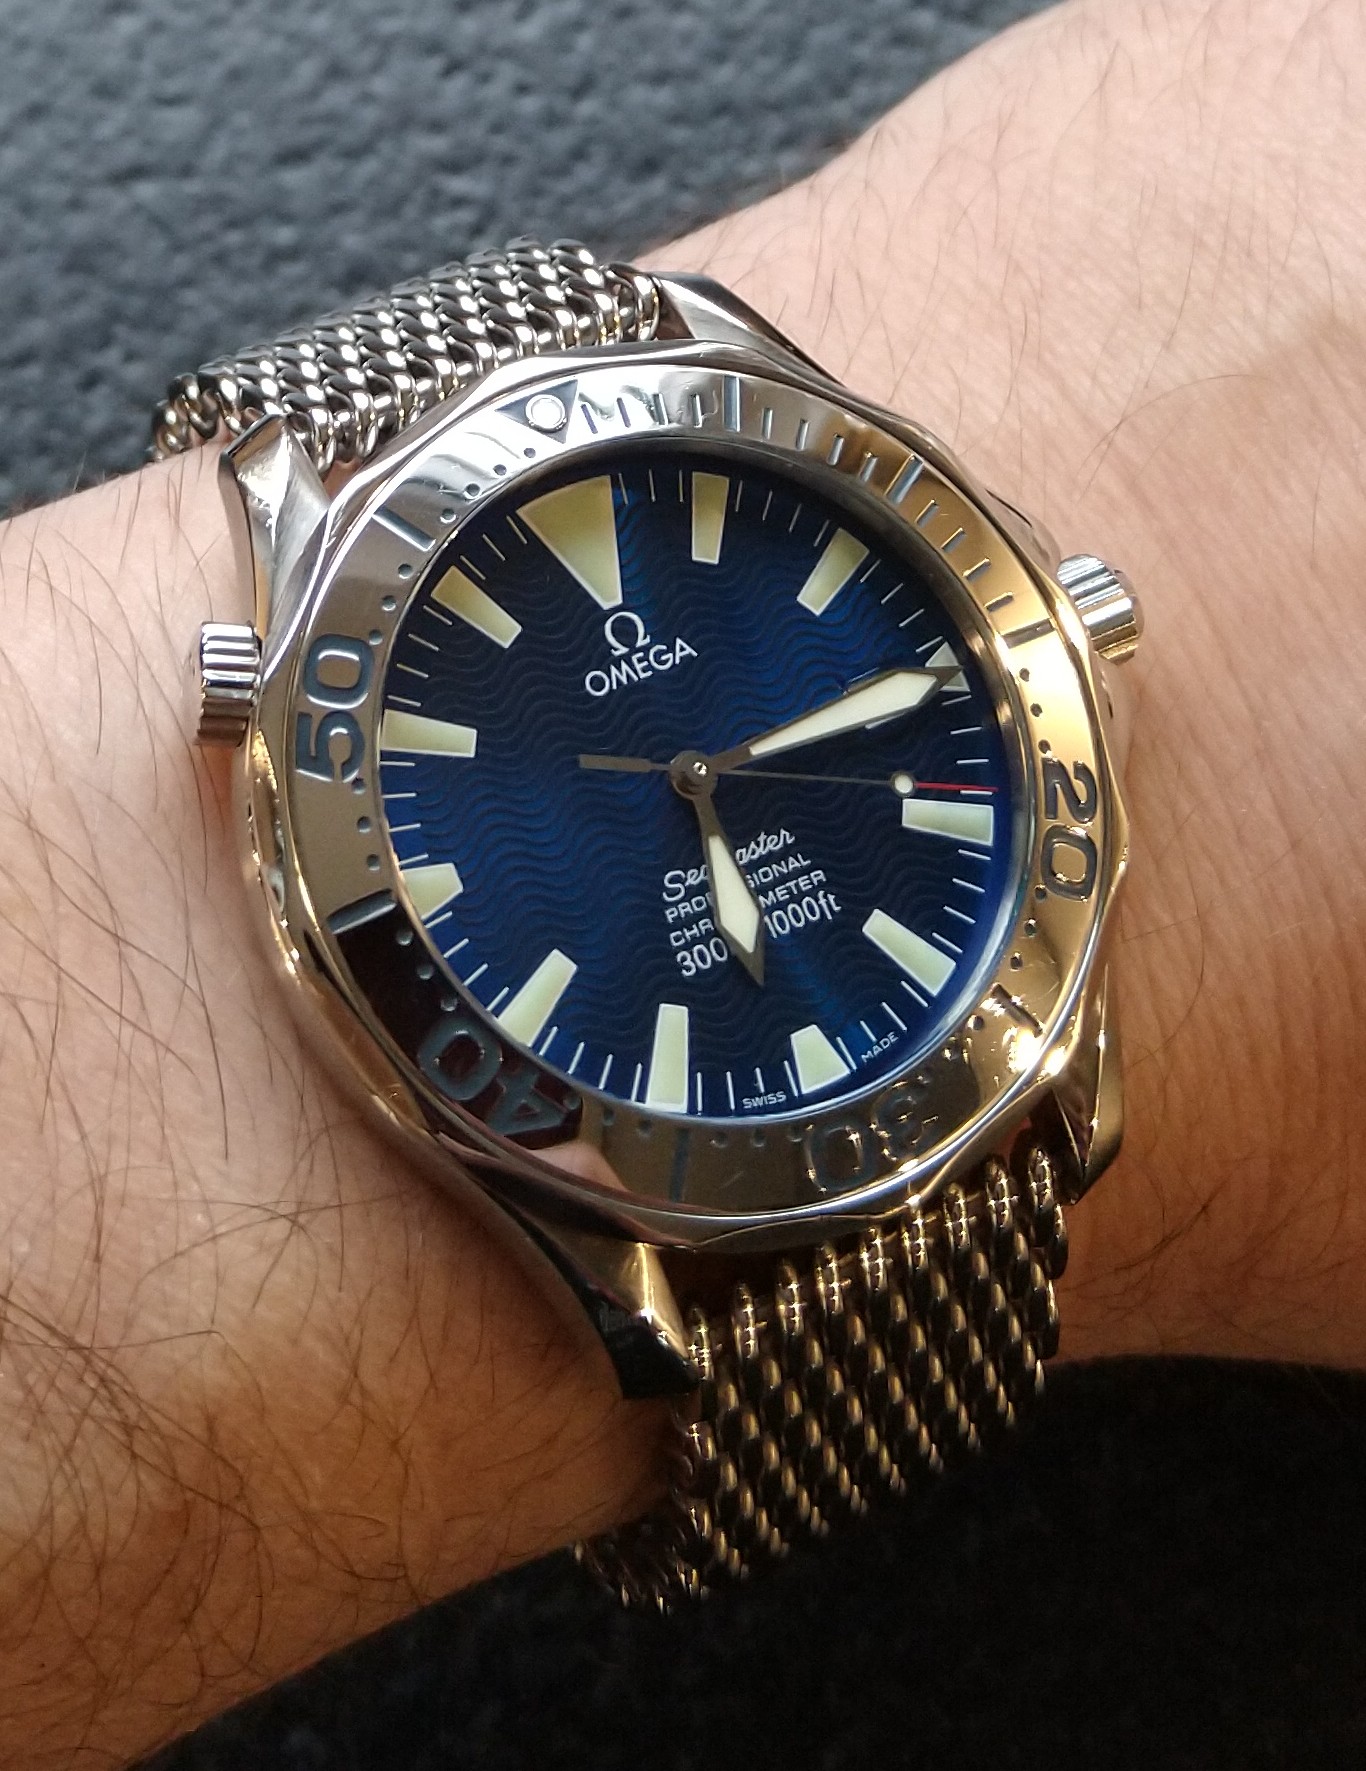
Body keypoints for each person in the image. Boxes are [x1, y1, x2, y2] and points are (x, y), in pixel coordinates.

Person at [1, 0, 1362, 1760]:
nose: (698, 779)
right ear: (242, 706)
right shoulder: (315, 518)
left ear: (1069, 629)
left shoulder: (1050, 1057)